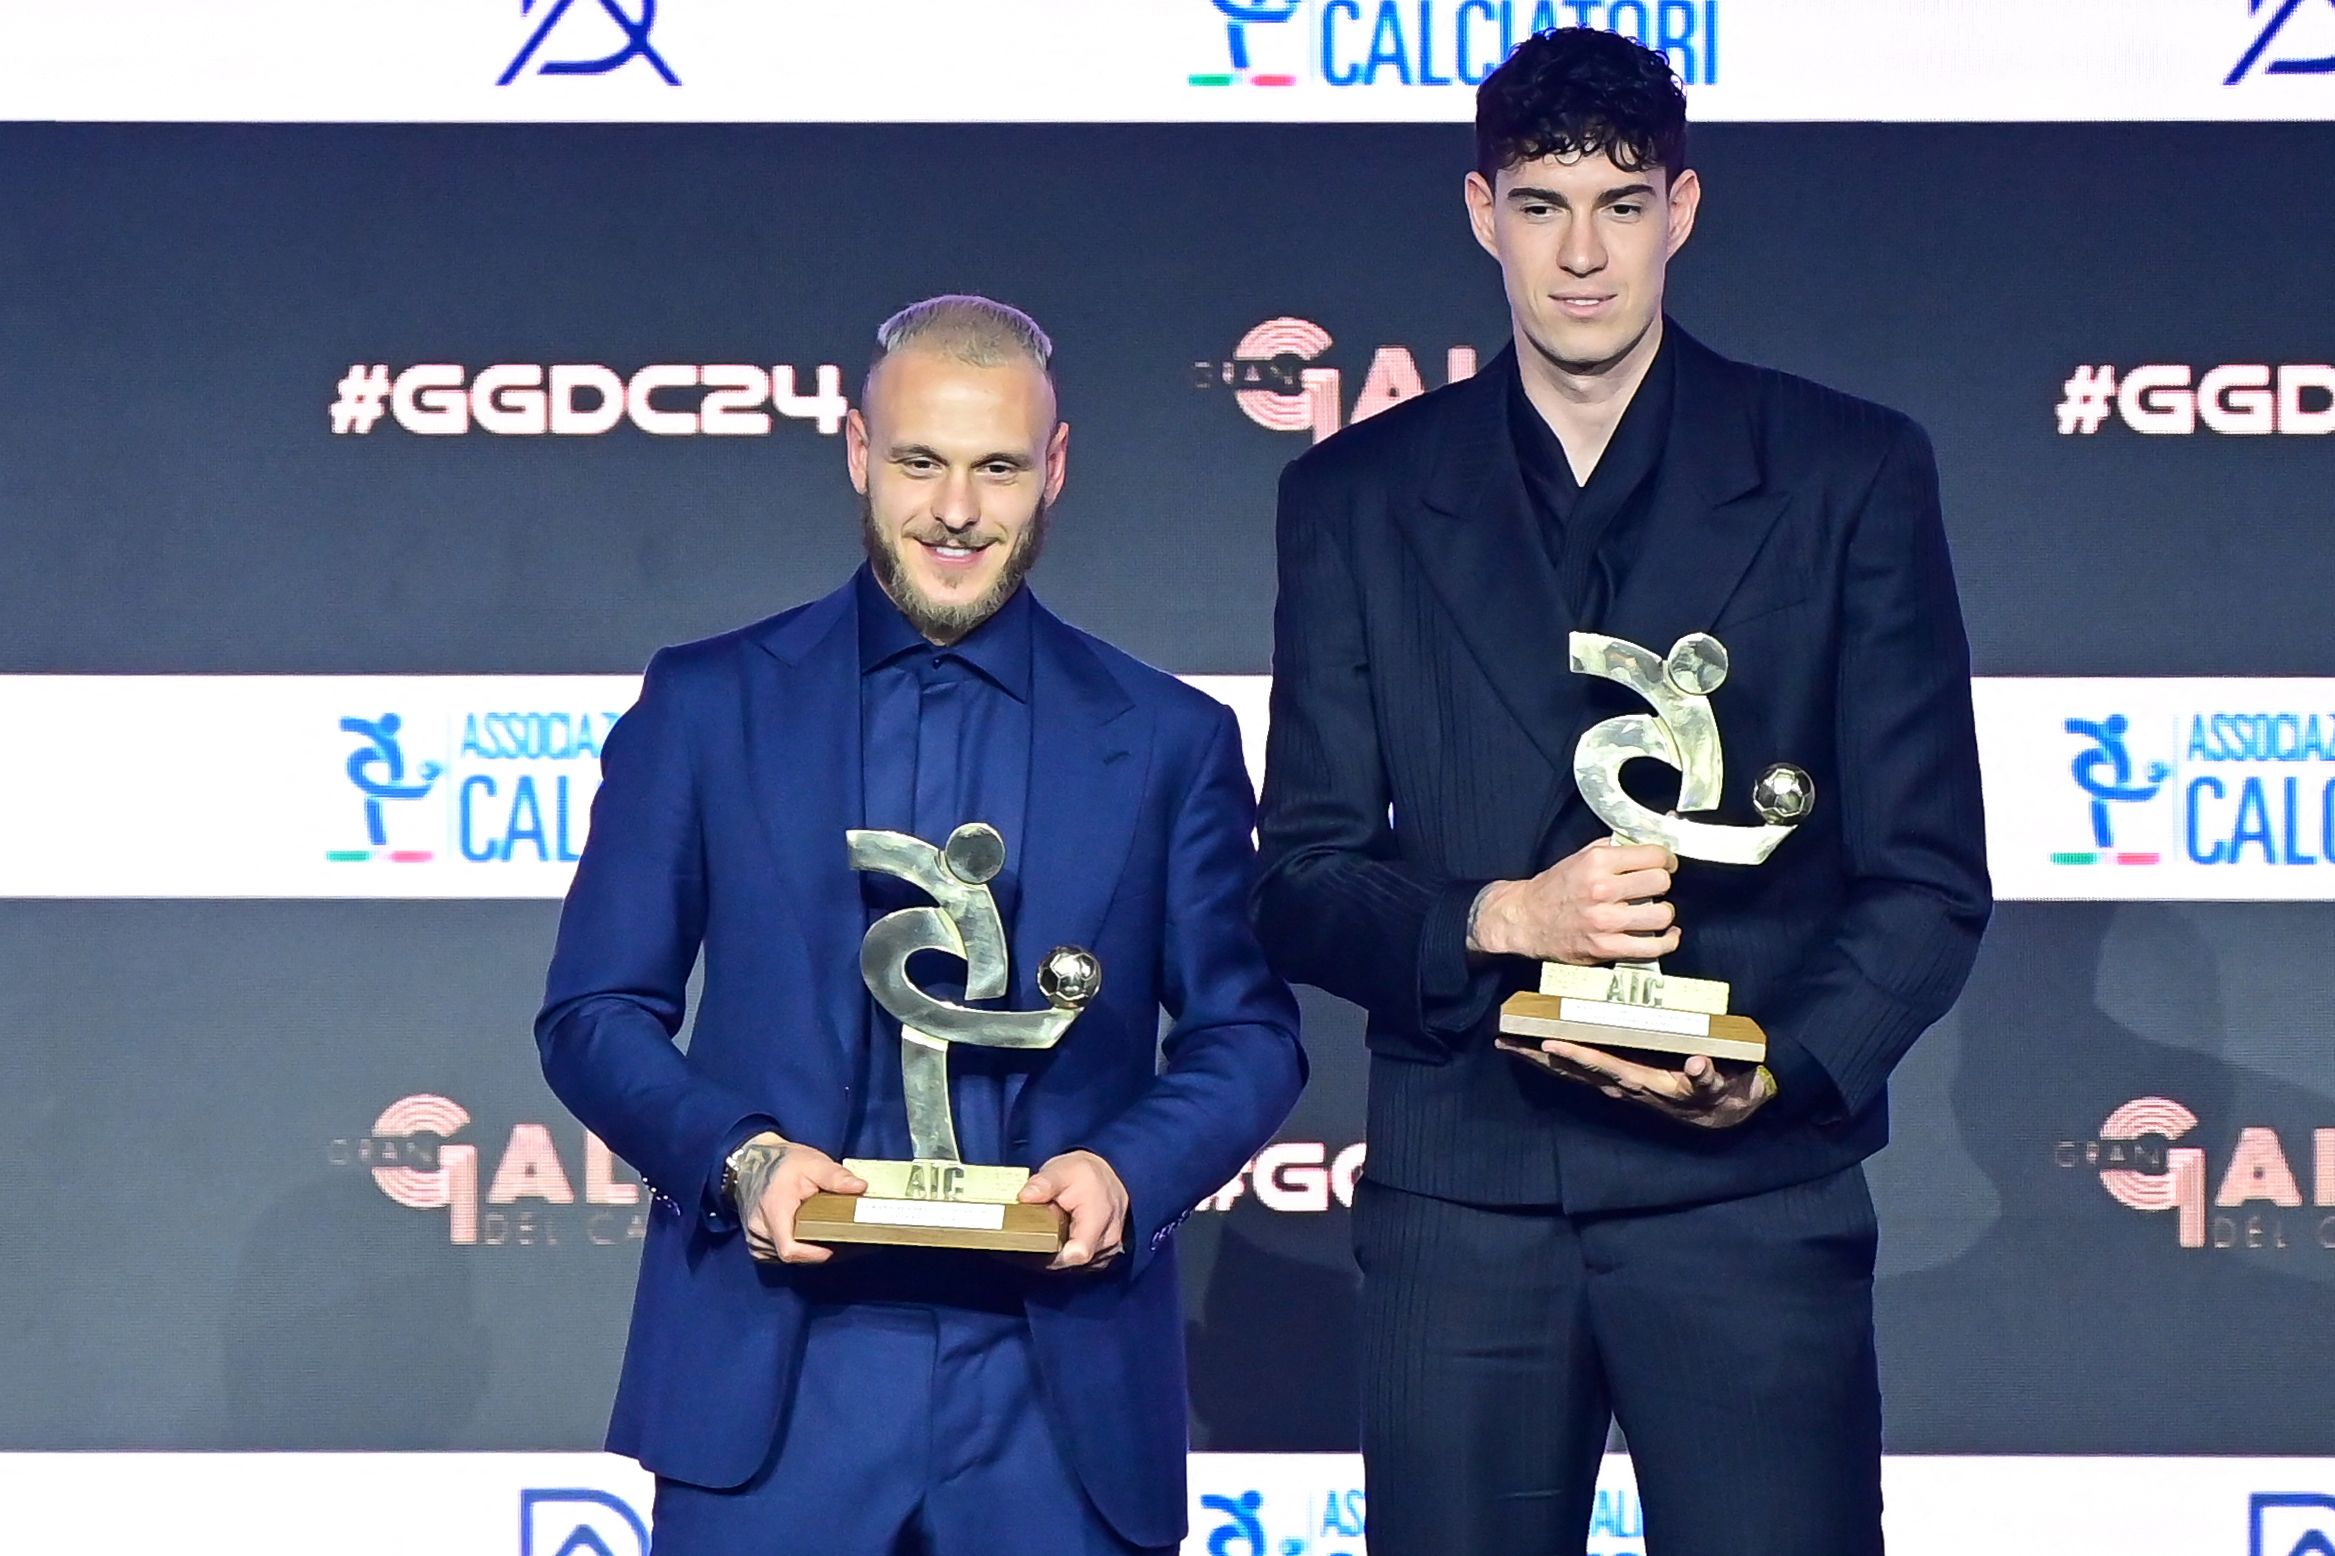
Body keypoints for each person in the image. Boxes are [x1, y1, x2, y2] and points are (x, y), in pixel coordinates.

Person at [1251, 28, 1990, 1556]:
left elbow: (1926, 878)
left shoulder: (1849, 472)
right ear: (1479, 212)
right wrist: (1502, 915)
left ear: (1682, 209)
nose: (1579, 255)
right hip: (1465, 1203)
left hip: (1749, 1204)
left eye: (1618, 203)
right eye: (1539, 206)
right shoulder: (1351, 496)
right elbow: (1301, 879)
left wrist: (1775, 1070)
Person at [539, 294, 1305, 1556]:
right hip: (773, 1390)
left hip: (1057, 1401)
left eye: (997, 466)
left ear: (1052, 468)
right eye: (920, 461)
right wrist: (742, 1158)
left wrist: (1127, 1171)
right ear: (856, 451)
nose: (955, 511)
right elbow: (593, 1013)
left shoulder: (1170, 738)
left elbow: (1249, 1035)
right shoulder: (708, 703)